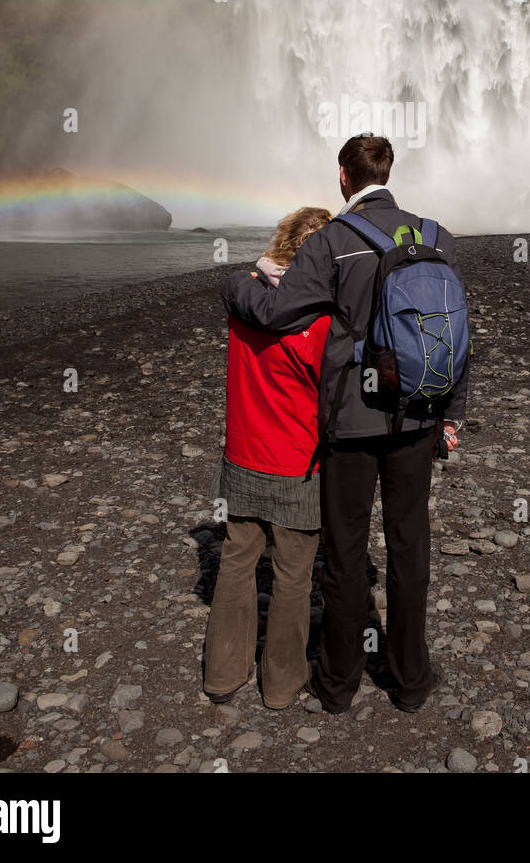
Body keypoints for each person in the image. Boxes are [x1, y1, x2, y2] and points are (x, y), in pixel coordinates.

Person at [221, 134, 468, 714]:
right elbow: (456, 335)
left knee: (346, 551)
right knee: (410, 549)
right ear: (388, 171)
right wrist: (452, 416)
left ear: (343, 177)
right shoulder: (437, 236)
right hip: (417, 415)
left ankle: (338, 683)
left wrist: (238, 285)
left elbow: (277, 312)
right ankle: (410, 680)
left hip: (354, 423)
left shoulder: (332, 241)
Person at [203, 206, 332, 711]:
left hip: (242, 455)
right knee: (293, 575)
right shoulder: (320, 320)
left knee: (236, 563)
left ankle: (221, 673)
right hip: (298, 463)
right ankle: (280, 685)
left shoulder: (245, 301)